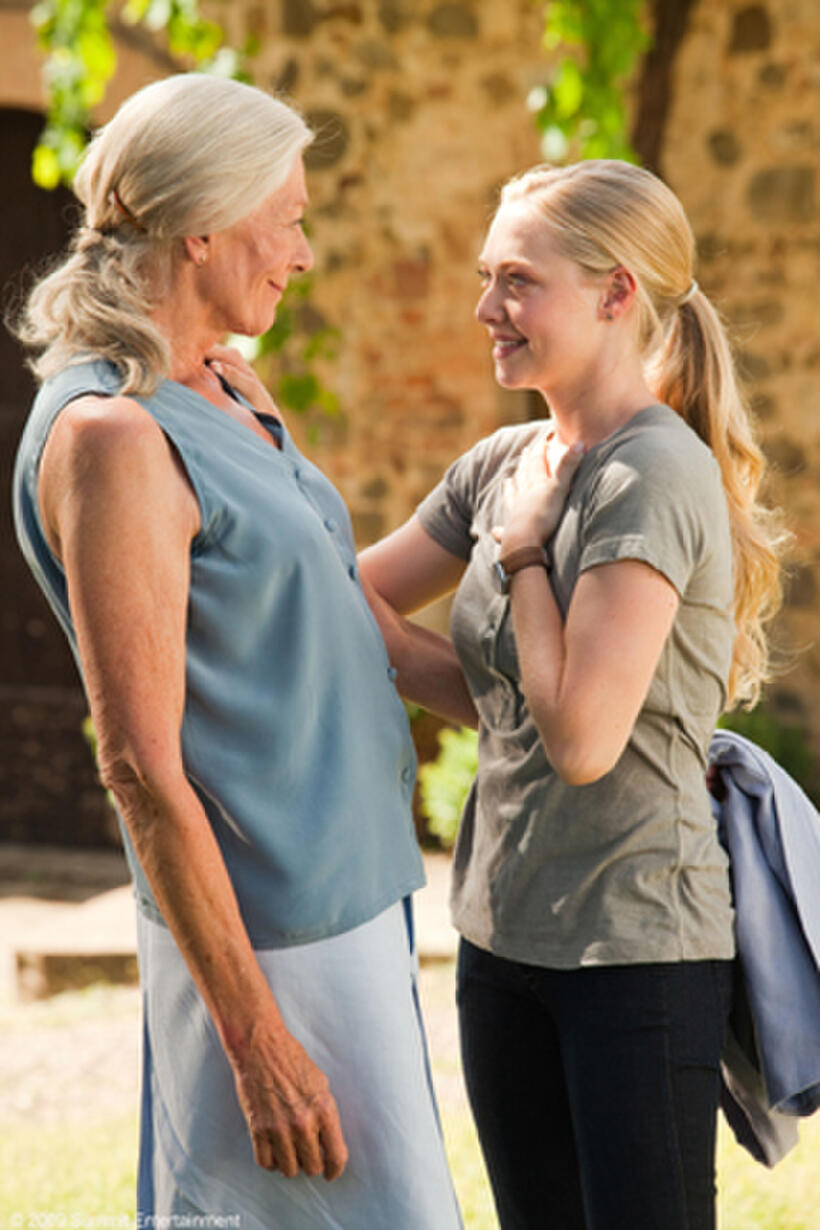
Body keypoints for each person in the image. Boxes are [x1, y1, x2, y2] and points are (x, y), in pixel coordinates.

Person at [12, 73, 472, 1228]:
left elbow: (354, 629)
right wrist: (256, 1034)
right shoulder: (114, 435)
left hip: (359, 906)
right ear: (202, 225)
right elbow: (139, 765)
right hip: (272, 943)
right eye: (291, 217)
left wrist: (592, 715)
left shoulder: (226, 385)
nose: (304, 251)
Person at [357, 160, 787, 1230]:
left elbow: (583, 737)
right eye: (484, 276)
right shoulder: (509, 460)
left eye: (517, 280)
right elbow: (355, 603)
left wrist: (521, 555)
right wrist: (250, 450)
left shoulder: (653, 472)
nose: (483, 308)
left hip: (633, 953)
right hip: (503, 939)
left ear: (615, 292)